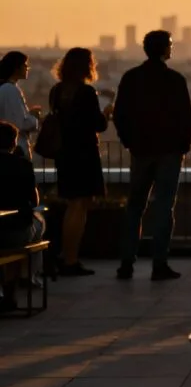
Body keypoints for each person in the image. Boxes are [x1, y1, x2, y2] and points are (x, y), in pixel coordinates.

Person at [114, 30, 191, 281]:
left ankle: (127, 262)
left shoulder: (131, 78)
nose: (172, 48)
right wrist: (183, 145)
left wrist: (129, 142)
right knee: (163, 207)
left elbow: (120, 114)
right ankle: (159, 263)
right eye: (170, 44)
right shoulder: (175, 80)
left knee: (134, 207)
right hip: (168, 151)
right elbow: (185, 117)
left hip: (141, 150)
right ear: (163, 49)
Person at [50, 48, 112, 276]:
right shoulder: (86, 92)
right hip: (84, 154)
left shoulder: (57, 91)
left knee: (72, 204)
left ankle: (67, 256)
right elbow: (98, 124)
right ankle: (71, 259)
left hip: (65, 154)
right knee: (79, 205)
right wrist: (106, 114)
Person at [0, 121, 45, 295]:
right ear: (13, 143)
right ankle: (26, 278)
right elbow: (34, 201)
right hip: (15, 230)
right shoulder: (22, 165)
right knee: (38, 226)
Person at [0, 52, 41, 158]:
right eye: (25, 65)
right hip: (17, 150)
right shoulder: (10, 90)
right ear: (16, 68)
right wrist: (34, 118)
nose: (27, 68)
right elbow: (20, 123)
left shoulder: (8, 88)